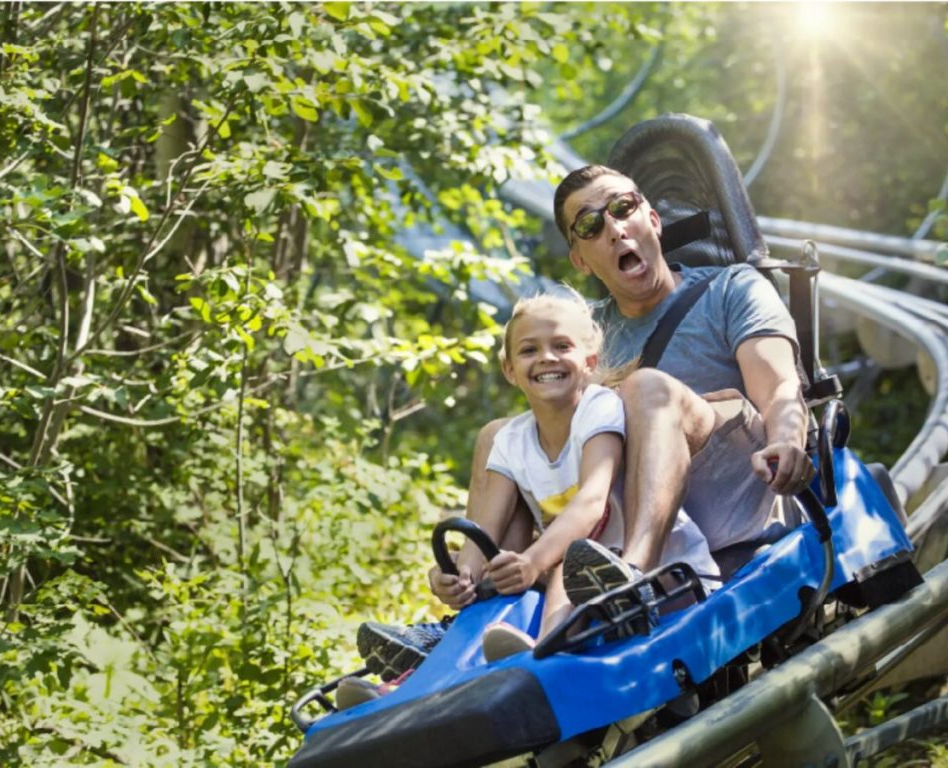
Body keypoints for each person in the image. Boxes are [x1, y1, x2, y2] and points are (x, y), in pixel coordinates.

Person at [355, 164, 814, 683]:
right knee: (498, 436)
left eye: (622, 208)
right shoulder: (583, 334)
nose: (614, 228)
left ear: (652, 219)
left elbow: (778, 385)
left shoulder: (732, 287)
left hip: (735, 486)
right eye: (591, 225)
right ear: (580, 258)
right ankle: (468, 610)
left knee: (643, 388)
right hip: (613, 507)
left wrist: (786, 438)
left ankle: (633, 578)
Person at [336, 290, 719, 710]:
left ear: (589, 361)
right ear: (510, 369)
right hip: (582, 579)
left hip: (658, 575)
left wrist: (534, 561)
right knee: (499, 581)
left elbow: (593, 501)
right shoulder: (511, 441)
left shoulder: (599, 407)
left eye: (562, 347)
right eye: (529, 350)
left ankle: (543, 663)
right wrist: (459, 575)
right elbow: (483, 535)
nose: (547, 358)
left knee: (563, 565)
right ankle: (413, 687)